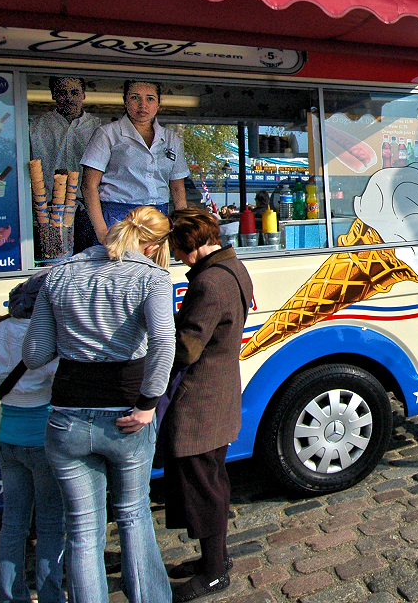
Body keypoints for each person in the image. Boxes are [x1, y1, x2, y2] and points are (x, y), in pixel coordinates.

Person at [23, 206, 177, 603]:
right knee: (133, 515)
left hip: (68, 414)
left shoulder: (58, 274)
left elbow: (35, 354)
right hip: (127, 412)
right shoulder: (151, 278)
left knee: (82, 529)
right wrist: (147, 404)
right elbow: (163, 343)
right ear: (154, 244)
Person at [161, 208, 253, 601]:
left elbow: (186, 349)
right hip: (219, 391)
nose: (177, 259)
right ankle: (213, 560)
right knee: (210, 481)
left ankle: (214, 572)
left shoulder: (209, 284)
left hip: (201, 400)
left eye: (177, 251)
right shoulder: (232, 267)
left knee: (204, 488)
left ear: (190, 245)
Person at [0, 273, 65, 603]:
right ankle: (50, 596)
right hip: (43, 439)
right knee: (49, 525)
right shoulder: (45, 338)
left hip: (8, 439)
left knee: (13, 524)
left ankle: (11, 596)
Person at [81, 79, 188, 245]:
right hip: (118, 216)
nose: (142, 105)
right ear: (125, 101)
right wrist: (102, 231)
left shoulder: (170, 139)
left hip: (158, 216)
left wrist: (183, 226)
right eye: (135, 97)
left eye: (150, 99)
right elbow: (89, 185)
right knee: (119, 268)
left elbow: (177, 186)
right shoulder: (108, 134)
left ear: (158, 104)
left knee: (154, 267)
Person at [29, 75, 102, 252]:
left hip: (88, 208)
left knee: (88, 262)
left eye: (74, 92)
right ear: (53, 95)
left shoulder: (99, 128)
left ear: (83, 95)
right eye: (62, 93)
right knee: (53, 262)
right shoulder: (35, 127)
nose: (68, 98)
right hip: (47, 210)